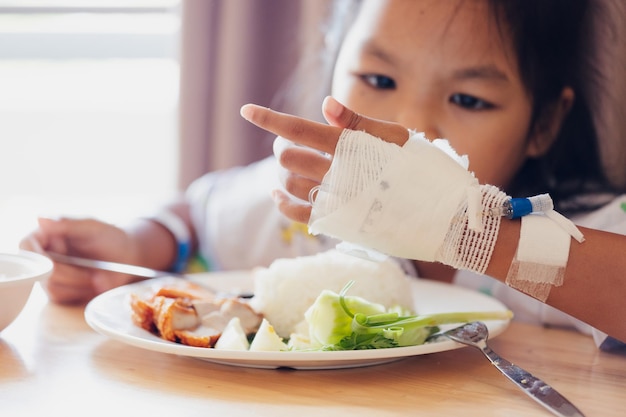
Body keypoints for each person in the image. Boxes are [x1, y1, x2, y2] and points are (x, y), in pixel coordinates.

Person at [21, 0, 626, 348]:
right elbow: (198, 216)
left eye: (468, 100)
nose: (410, 126)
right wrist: (134, 243)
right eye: (379, 81)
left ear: (544, 122)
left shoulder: (577, 232)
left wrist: (463, 230)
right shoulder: (305, 209)